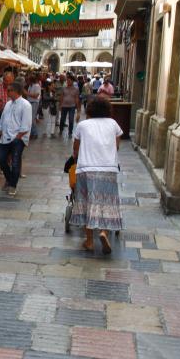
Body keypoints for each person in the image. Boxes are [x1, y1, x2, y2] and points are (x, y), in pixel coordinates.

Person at [70, 96, 123, 254]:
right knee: (108, 202)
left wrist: (75, 157)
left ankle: (89, 241)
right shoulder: (113, 124)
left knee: (86, 203)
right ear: (107, 109)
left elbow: (76, 148)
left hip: (86, 168)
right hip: (108, 168)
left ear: (90, 109)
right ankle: (104, 232)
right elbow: (117, 145)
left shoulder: (83, 125)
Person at [0, 82, 32, 196]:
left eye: (10, 90)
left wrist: (18, 137)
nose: (7, 92)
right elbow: (2, 119)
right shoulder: (8, 104)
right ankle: (9, 178)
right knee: (0, 159)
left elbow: (26, 124)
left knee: (15, 162)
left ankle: (13, 185)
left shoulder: (26, 105)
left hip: (18, 138)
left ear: (16, 91)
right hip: (5, 137)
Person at [59, 74, 81, 139]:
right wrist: (60, 105)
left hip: (72, 106)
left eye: (69, 81)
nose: (68, 82)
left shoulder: (76, 89)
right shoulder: (64, 88)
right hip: (64, 106)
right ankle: (61, 129)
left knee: (71, 119)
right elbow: (61, 97)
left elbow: (77, 98)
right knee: (62, 119)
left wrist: (78, 108)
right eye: (67, 81)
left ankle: (70, 132)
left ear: (72, 81)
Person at [26, 75, 42, 140]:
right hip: (29, 102)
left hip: (34, 103)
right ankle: (32, 133)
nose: (27, 82)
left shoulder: (37, 86)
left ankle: (35, 133)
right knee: (29, 118)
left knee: (32, 118)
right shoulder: (30, 86)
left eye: (28, 80)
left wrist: (27, 93)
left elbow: (36, 95)